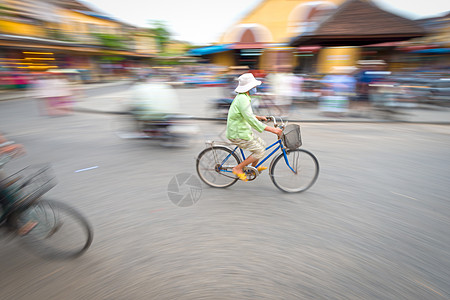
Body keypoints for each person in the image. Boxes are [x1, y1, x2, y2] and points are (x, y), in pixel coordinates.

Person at [226, 73, 282, 182]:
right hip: (238, 134)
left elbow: (247, 114)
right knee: (260, 151)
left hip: (243, 131)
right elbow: (250, 120)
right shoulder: (243, 99)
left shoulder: (244, 97)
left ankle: (252, 169)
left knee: (262, 145)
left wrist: (259, 117)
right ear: (249, 87)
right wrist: (273, 130)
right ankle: (237, 168)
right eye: (254, 86)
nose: (255, 88)